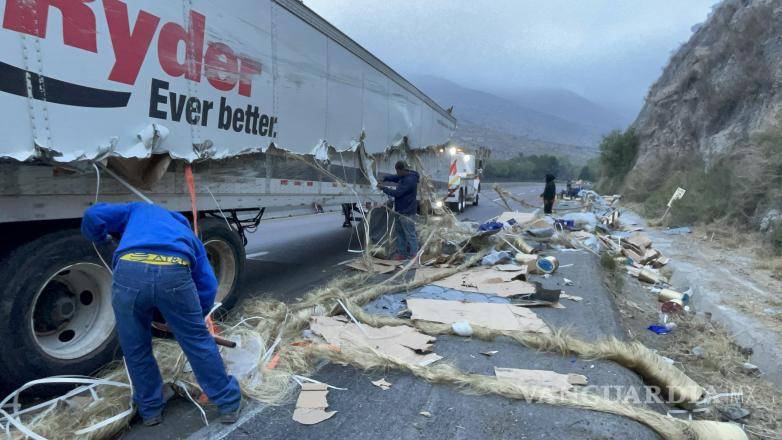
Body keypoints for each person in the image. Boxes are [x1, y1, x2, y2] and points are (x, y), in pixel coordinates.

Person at [81, 202, 242, 426]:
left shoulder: (138, 210)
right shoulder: (186, 233)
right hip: (174, 270)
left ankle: (150, 410)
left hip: (129, 271)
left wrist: (101, 239)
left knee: (136, 347)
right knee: (197, 342)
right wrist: (198, 317)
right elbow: (208, 284)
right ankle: (228, 404)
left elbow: (93, 214)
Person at [377, 161, 420, 260]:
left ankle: (415, 256)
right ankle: (402, 254)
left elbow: (397, 193)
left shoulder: (409, 181)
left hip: (407, 212)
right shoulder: (406, 175)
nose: (397, 173)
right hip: (400, 210)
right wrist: (385, 178)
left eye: (397, 171)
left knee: (410, 234)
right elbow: (396, 178)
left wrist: (383, 188)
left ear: (402, 170)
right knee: (400, 233)